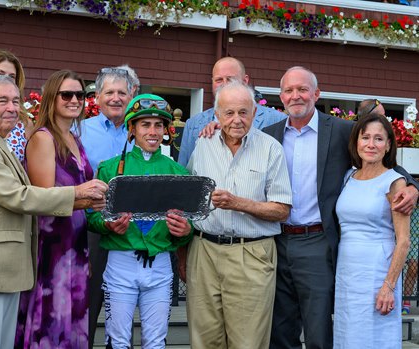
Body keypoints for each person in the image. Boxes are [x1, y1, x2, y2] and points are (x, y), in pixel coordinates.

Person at [263, 66, 419, 349]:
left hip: (317, 242)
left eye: (302, 89)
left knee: (318, 330)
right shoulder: (268, 135)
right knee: (279, 329)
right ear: (281, 96)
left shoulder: (341, 130)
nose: (295, 96)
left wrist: (412, 186)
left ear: (316, 94)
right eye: (288, 90)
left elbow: (383, 161)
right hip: (276, 241)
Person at [0, 75, 107, 349]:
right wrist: (77, 194)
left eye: (15, 101)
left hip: (2, 272)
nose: (12, 107)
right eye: (2, 101)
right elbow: (17, 196)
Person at [184, 81, 292, 349]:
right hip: (204, 251)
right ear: (216, 115)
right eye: (229, 113)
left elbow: (282, 209)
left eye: (243, 112)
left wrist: (238, 203)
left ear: (254, 114)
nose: (236, 120)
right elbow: (188, 198)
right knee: (204, 340)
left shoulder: (270, 149)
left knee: (248, 343)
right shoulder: (203, 145)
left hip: (251, 254)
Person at [87, 93, 193, 348]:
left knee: (156, 342)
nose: (153, 131)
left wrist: (185, 231)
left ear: (167, 130)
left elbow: (188, 228)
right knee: (118, 340)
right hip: (120, 263)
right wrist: (107, 225)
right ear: (132, 128)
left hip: (160, 267)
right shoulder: (109, 169)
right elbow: (92, 218)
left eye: (159, 125)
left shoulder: (178, 172)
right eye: (145, 125)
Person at [15, 70, 98, 348]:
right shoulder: (43, 138)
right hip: (52, 246)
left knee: (73, 320)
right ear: (52, 98)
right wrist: (85, 196)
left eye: (80, 95)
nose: (75, 100)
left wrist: (96, 200)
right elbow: (42, 200)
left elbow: (80, 195)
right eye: (67, 94)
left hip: (76, 242)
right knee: (51, 322)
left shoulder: (75, 138)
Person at [334, 113, 410, 348]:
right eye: (365, 137)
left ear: (388, 145)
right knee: (348, 336)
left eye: (378, 139)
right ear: (356, 142)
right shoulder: (348, 176)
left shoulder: (395, 182)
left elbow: (404, 241)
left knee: (375, 338)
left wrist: (389, 286)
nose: (371, 144)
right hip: (347, 274)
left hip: (377, 273)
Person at [77, 65, 137, 349]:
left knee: (123, 312)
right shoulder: (80, 130)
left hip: (133, 231)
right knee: (87, 303)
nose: (116, 98)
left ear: (133, 95)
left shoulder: (143, 130)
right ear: (97, 97)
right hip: (92, 228)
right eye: (109, 92)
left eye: (122, 92)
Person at [177, 56, 286, 167]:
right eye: (219, 80)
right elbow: (185, 173)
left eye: (230, 79)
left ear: (245, 81)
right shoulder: (193, 124)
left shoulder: (276, 120)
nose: (224, 84)